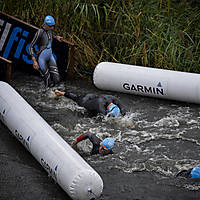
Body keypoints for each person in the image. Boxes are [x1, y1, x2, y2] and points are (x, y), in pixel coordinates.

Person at [29, 15, 63, 88]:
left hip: (50, 56)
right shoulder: (39, 32)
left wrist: (56, 37)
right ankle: (45, 95)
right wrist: (34, 61)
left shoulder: (49, 31)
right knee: (48, 81)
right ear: (45, 25)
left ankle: (55, 93)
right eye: (50, 26)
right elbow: (31, 46)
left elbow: (49, 36)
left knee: (57, 79)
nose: (52, 28)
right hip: (41, 58)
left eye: (53, 26)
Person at [54, 89, 126, 117]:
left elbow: (122, 108)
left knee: (76, 96)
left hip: (93, 96)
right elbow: (105, 119)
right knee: (75, 98)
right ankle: (60, 93)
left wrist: (124, 115)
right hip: (85, 101)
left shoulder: (112, 98)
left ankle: (60, 92)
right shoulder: (101, 108)